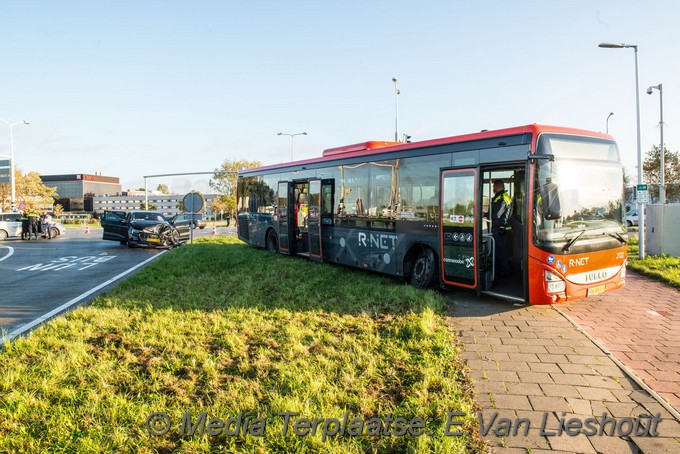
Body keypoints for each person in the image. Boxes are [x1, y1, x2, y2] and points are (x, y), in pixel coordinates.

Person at [491, 180, 512, 278]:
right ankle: (501, 272)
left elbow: (496, 214)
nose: (493, 189)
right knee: (499, 252)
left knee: (501, 252)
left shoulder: (503, 198)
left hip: (500, 229)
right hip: (499, 228)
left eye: (494, 187)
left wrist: (484, 214)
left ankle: (504, 274)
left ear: (498, 187)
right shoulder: (501, 196)